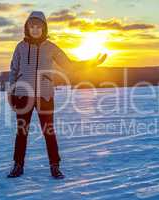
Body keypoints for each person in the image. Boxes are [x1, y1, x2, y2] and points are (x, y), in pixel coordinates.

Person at [7, 11, 107, 179]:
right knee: (21, 132)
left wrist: (91, 63)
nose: (35, 29)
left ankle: (55, 166)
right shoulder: (20, 47)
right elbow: (14, 70)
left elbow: (69, 65)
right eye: (32, 26)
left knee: (49, 132)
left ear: (44, 28)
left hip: (45, 96)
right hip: (23, 96)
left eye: (39, 26)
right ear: (27, 28)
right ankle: (18, 165)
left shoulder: (50, 47)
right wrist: (12, 92)